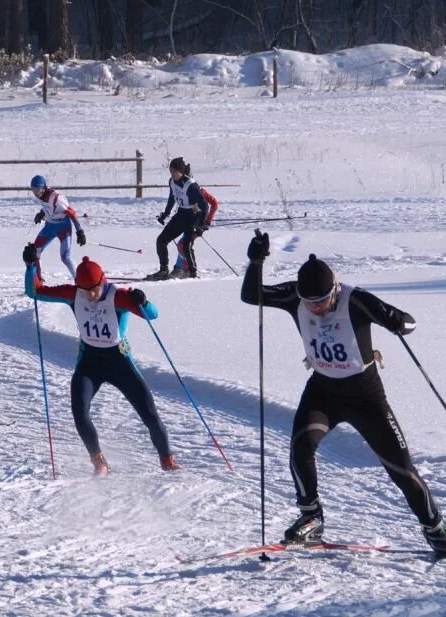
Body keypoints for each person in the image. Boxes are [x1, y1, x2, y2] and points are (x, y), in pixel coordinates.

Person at [241, 234, 446, 554]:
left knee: (401, 468)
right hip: (323, 392)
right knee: (300, 448)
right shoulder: (295, 297)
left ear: (335, 288)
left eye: (322, 301)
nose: (317, 308)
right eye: (310, 303)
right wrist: (255, 262)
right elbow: (252, 296)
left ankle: (435, 528)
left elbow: (408, 322)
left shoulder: (356, 299)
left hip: (366, 397)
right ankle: (311, 519)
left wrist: (399, 323)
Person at [22, 245, 178, 476]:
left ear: (102, 282)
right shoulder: (73, 293)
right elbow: (35, 292)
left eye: (93, 290)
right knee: (79, 411)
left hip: (120, 362)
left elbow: (152, 315)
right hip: (90, 363)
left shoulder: (119, 296)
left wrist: (143, 301)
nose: (89, 296)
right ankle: (99, 461)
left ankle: (167, 459)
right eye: (84, 291)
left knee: (149, 414)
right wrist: (30, 266)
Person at [149, 157, 209, 281]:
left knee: (186, 245)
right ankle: (163, 270)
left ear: (181, 171)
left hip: (192, 216)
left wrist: (202, 224)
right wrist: (165, 214)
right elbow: (172, 198)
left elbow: (204, 205)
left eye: (175, 171)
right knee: (161, 241)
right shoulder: (172, 181)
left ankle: (192, 273)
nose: (173, 174)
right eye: (171, 171)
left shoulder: (190, 184)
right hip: (180, 214)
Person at [29, 175, 86, 280]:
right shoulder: (41, 196)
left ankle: (80, 282)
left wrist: (80, 231)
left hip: (63, 227)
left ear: (44, 188)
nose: (35, 192)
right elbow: (49, 207)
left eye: (38, 189)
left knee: (66, 258)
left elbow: (72, 213)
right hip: (49, 226)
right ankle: (38, 281)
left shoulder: (56, 197)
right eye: (33, 189)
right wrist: (42, 213)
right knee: (35, 252)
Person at [170, 187, 219, 279]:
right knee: (183, 244)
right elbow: (192, 209)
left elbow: (214, 204)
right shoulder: (183, 193)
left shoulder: (200, 192)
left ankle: (188, 269)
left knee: (183, 245)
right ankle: (180, 268)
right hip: (190, 222)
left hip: (199, 225)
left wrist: (207, 221)